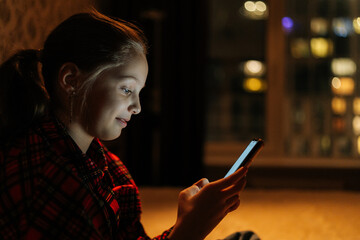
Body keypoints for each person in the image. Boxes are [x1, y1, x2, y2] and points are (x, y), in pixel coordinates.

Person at [0, 10, 260, 240]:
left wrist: (187, 221)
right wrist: (189, 229)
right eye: (126, 89)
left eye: (139, 92)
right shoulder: (49, 178)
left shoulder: (104, 164)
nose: (137, 107)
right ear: (71, 80)